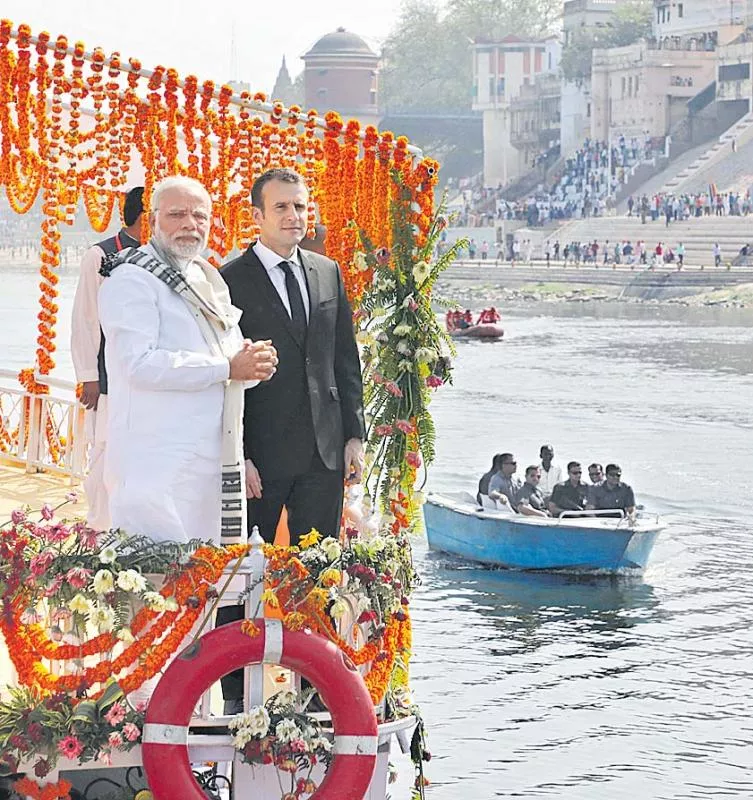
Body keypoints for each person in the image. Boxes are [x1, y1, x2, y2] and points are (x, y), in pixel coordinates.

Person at [98, 176, 278, 545]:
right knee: (153, 586)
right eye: (176, 214)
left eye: (199, 216)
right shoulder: (131, 279)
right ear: (152, 222)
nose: (189, 225)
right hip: (156, 465)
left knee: (204, 584)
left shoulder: (205, 278)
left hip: (211, 461)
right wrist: (228, 368)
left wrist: (251, 363)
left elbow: (223, 359)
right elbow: (140, 363)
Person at [220, 167, 365, 545]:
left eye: (300, 206)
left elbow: (345, 360)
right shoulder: (229, 281)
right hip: (261, 458)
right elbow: (225, 376)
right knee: (243, 570)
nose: (293, 216)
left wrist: (354, 436)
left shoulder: (327, 271)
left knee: (319, 574)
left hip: (324, 453)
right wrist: (241, 455)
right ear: (257, 216)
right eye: (281, 206)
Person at [71, 187, 144, 531]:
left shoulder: (166, 256)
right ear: (146, 216)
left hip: (148, 379)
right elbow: (86, 318)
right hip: (109, 379)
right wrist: (88, 375)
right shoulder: (100, 255)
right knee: (105, 455)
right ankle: (99, 531)